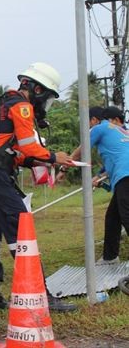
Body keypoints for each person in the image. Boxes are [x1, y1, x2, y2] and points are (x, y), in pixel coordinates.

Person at [0, 62, 76, 313]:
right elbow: (29, 144)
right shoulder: (21, 106)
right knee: (22, 233)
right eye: (47, 98)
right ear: (37, 89)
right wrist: (52, 156)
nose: (45, 105)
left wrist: (29, 161)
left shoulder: (0, 106)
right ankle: (41, 296)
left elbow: (8, 150)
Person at [58, 106, 129, 265]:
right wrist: (98, 176)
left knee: (127, 216)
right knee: (113, 217)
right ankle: (110, 257)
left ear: (94, 120)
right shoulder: (122, 132)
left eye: (88, 124)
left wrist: (63, 168)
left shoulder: (100, 128)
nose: (88, 128)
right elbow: (116, 160)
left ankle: (110, 257)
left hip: (126, 177)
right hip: (124, 174)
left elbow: (81, 150)